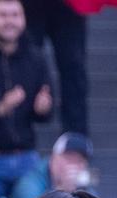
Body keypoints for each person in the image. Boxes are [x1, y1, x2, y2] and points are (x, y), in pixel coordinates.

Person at [0, 0, 53, 198]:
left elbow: (45, 114)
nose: (10, 21)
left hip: (26, 156)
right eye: (3, 15)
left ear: (24, 19)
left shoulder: (36, 57)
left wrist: (43, 109)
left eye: (15, 15)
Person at [20, 0, 88, 135]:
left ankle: (75, 138)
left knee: (73, 68)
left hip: (68, 6)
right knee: (24, 65)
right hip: (29, 6)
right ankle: (16, 133)